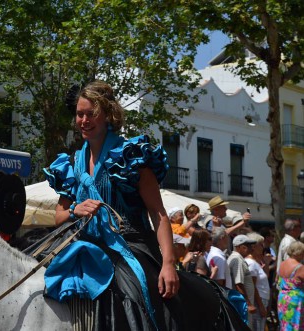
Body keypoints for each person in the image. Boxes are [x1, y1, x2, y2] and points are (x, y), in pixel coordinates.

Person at [43, 81, 249, 330]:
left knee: (131, 290)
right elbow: (58, 216)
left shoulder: (129, 156)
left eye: (91, 114)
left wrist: (168, 264)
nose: (84, 120)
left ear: (108, 114)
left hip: (131, 244)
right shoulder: (71, 162)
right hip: (84, 243)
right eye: (79, 114)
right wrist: (75, 210)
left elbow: (159, 213)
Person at [228, 234, 258, 327]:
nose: (250, 248)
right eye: (247, 246)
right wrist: (248, 304)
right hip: (242, 304)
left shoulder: (238, 258)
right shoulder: (237, 259)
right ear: (240, 247)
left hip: (241, 303)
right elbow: (239, 284)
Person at [277, 241, 304, 331]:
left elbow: (278, 279)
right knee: (296, 325)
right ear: (299, 253)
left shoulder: (282, 264)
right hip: (295, 300)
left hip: (282, 298)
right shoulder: (299, 267)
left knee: (285, 325)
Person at [245, 233, 270, 331]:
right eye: (261, 244)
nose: (263, 247)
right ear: (254, 246)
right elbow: (252, 286)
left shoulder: (255, 262)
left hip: (262, 300)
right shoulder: (251, 263)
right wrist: (260, 306)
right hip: (258, 301)